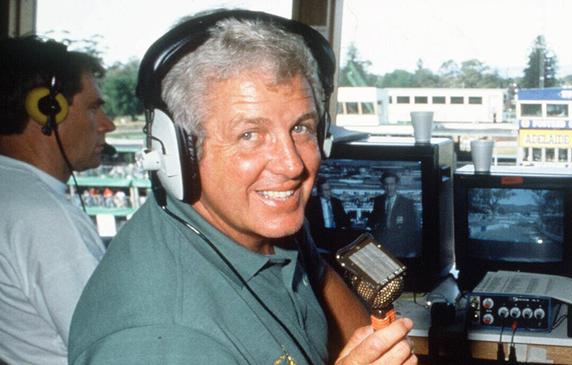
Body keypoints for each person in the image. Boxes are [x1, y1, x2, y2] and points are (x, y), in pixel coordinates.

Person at [69, 10, 416, 365]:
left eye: (301, 128)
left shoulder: (259, 217)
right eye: (249, 135)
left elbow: (321, 279)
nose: (292, 165)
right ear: (175, 153)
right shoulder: (162, 340)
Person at [0, 36, 115, 364]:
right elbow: (114, 345)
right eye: (94, 108)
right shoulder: (42, 217)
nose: (108, 124)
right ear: (46, 109)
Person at [368, 171, 420, 257]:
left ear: (397, 185)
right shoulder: (378, 200)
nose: (389, 187)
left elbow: (413, 228)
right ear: (383, 185)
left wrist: (411, 249)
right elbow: (373, 219)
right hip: (382, 243)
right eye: (386, 184)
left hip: (400, 245)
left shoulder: (407, 203)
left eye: (392, 184)